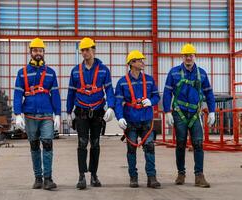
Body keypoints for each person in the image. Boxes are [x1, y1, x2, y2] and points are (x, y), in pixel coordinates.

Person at [163, 43, 215, 188]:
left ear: (195, 56)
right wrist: (167, 112)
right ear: (182, 57)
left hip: (195, 114)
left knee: (198, 144)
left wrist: (212, 111)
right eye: (186, 55)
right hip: (179, 113)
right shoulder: (174, 73)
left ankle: (199, 176)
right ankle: (181, 173)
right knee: (180, 144)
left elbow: (209, 93)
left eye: (191, 55)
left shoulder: (202, 73)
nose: (188, 58)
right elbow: (167, 93)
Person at [66, 37, 115, 189]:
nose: (85, 53)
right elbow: (70, 93)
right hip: (81, 112)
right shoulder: (75, 71)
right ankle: (81, 176)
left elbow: (109, 90)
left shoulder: (103, 70)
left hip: (97, 112)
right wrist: (68, 112)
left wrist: (111, 107)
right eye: (82, 50)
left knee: (95, 144)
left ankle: (94, 175)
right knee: (82, 143)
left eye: (87, 49)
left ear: (94, 50)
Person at [14, 38, 61, 190]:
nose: (38, 53)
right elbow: (17, 95)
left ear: (43, 52)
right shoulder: (22, 73)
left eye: (40, 50)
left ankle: (48, 178)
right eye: (35, 50)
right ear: (30, 52)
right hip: (29, 115)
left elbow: (55, 95)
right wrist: (18, 114)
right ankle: (38, 178)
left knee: (47, 144)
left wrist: (58, 114)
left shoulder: (51, 73)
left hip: (46, 114)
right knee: (34, 146)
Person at [115, 50, 161, 188]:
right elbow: (118, 102)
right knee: (131, 150)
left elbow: (157, 96)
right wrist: (120, 117)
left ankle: (151, 177)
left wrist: (151, 101)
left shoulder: (149, 80)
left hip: (146, 119)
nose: (143, 62)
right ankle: (133, 177)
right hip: (131, 120)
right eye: (140, 60)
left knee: (150, 148)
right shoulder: (122, 82)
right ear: (132, 63)